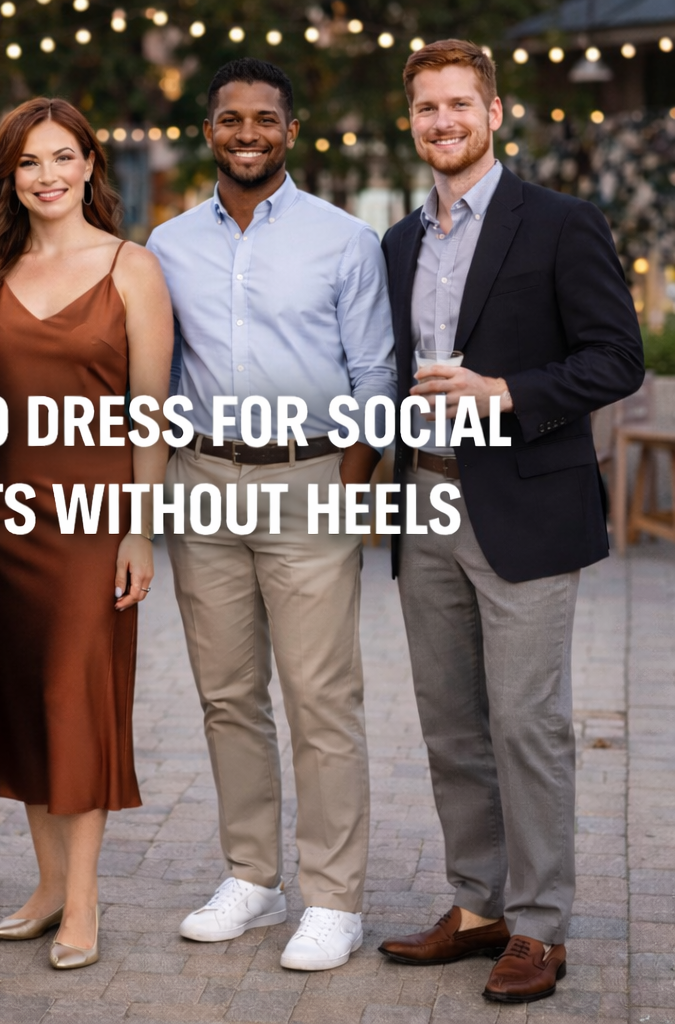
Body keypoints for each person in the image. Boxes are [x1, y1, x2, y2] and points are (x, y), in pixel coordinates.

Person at [378, 40, 644, 1003]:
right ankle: (477, 906)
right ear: (412, 120)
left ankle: (539, 927)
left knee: (528, 726)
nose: (442, 121)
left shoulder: (563, 223)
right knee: (452, 726)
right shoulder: (398, 242)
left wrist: (503, 391)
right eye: (426, 107)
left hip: (525, 503)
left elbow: (618, 358)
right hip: (426, 499)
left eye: (459, 104)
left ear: (494, 113)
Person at [146, 58, 396, 971]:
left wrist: (353, 489)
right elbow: (159, 374)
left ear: (291, 131)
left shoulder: (345, 240)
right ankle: (253, 879)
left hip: (311, 478)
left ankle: (334, 899)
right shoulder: (167, 245)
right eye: (230, 118)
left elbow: (375, 375)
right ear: (208, 131)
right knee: (227, 697)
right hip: (202, 482)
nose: (246, 133)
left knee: (322, 699)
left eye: (263, 119)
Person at [0, 97, 172, 969]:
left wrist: (140, 530)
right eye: (28, 162)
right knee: (23, 701)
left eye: (61, 157)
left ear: (90, 165)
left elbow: (151, 412)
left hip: (93, 523)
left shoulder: (133, 268)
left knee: (77, 700)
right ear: (10, 177)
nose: (46, 175)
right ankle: (48, 885)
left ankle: (83, 900)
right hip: (0, 521)